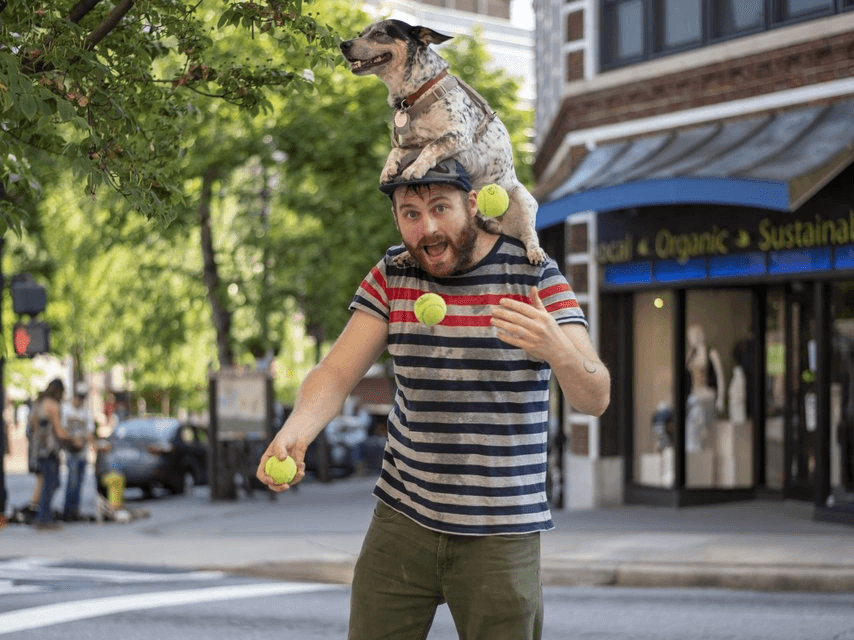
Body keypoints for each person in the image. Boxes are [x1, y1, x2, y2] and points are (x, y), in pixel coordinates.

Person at [256, 159, 610, 640]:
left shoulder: (532, 274)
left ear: (472, 204)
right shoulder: (394, 273)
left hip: (501, 529)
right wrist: (295, 431)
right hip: (403, 518)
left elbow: (596, 397)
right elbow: (336, 373)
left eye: (440, 208)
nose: (427, 228)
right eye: (411, 214)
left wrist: (558, 350)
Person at [30, 378, 73, 530]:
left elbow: (32, 427)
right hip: (49, 450)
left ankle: (43, 516)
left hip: (38, 449)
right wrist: (74, 437)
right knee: (52, 484)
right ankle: (44, 518)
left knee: (48, 483)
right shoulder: (53, 405)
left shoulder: (39, 403)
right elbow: (59, 432)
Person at [61, 381, 95, 521]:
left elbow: (90, 432)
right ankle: (68, 510)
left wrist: (82, 439)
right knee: (72, 481)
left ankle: (75, 510)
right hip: (70, 452)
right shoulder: (65, 410)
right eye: (79, 396)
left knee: (79, 482)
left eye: (83, 397)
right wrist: (73, 439)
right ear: (74, 395)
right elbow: (62, 430)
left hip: (83, 452)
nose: (80, 399)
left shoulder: (86, 412)